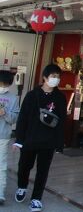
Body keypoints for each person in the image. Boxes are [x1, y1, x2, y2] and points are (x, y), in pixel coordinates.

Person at [14, 64, 66, 212]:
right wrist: (19, 139)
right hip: (30, 138)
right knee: (24, 166)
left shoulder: (60, 98)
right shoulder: (32, 95)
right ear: (45, 77)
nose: (56, 79)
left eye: (58, 77)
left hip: (48, 141)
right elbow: (22, 118)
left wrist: (59, 142)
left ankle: (36, 198)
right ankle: (22, 187)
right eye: (53, 76)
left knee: (43, 170)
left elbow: (62, 121)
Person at [0, 70, 19, 205]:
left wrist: (4, 113)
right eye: (1, 83)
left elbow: (14, 119)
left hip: (3, 136)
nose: (3, 86)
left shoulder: (13, 98)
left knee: (1, 166)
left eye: (6, 84)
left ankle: (0, 194)